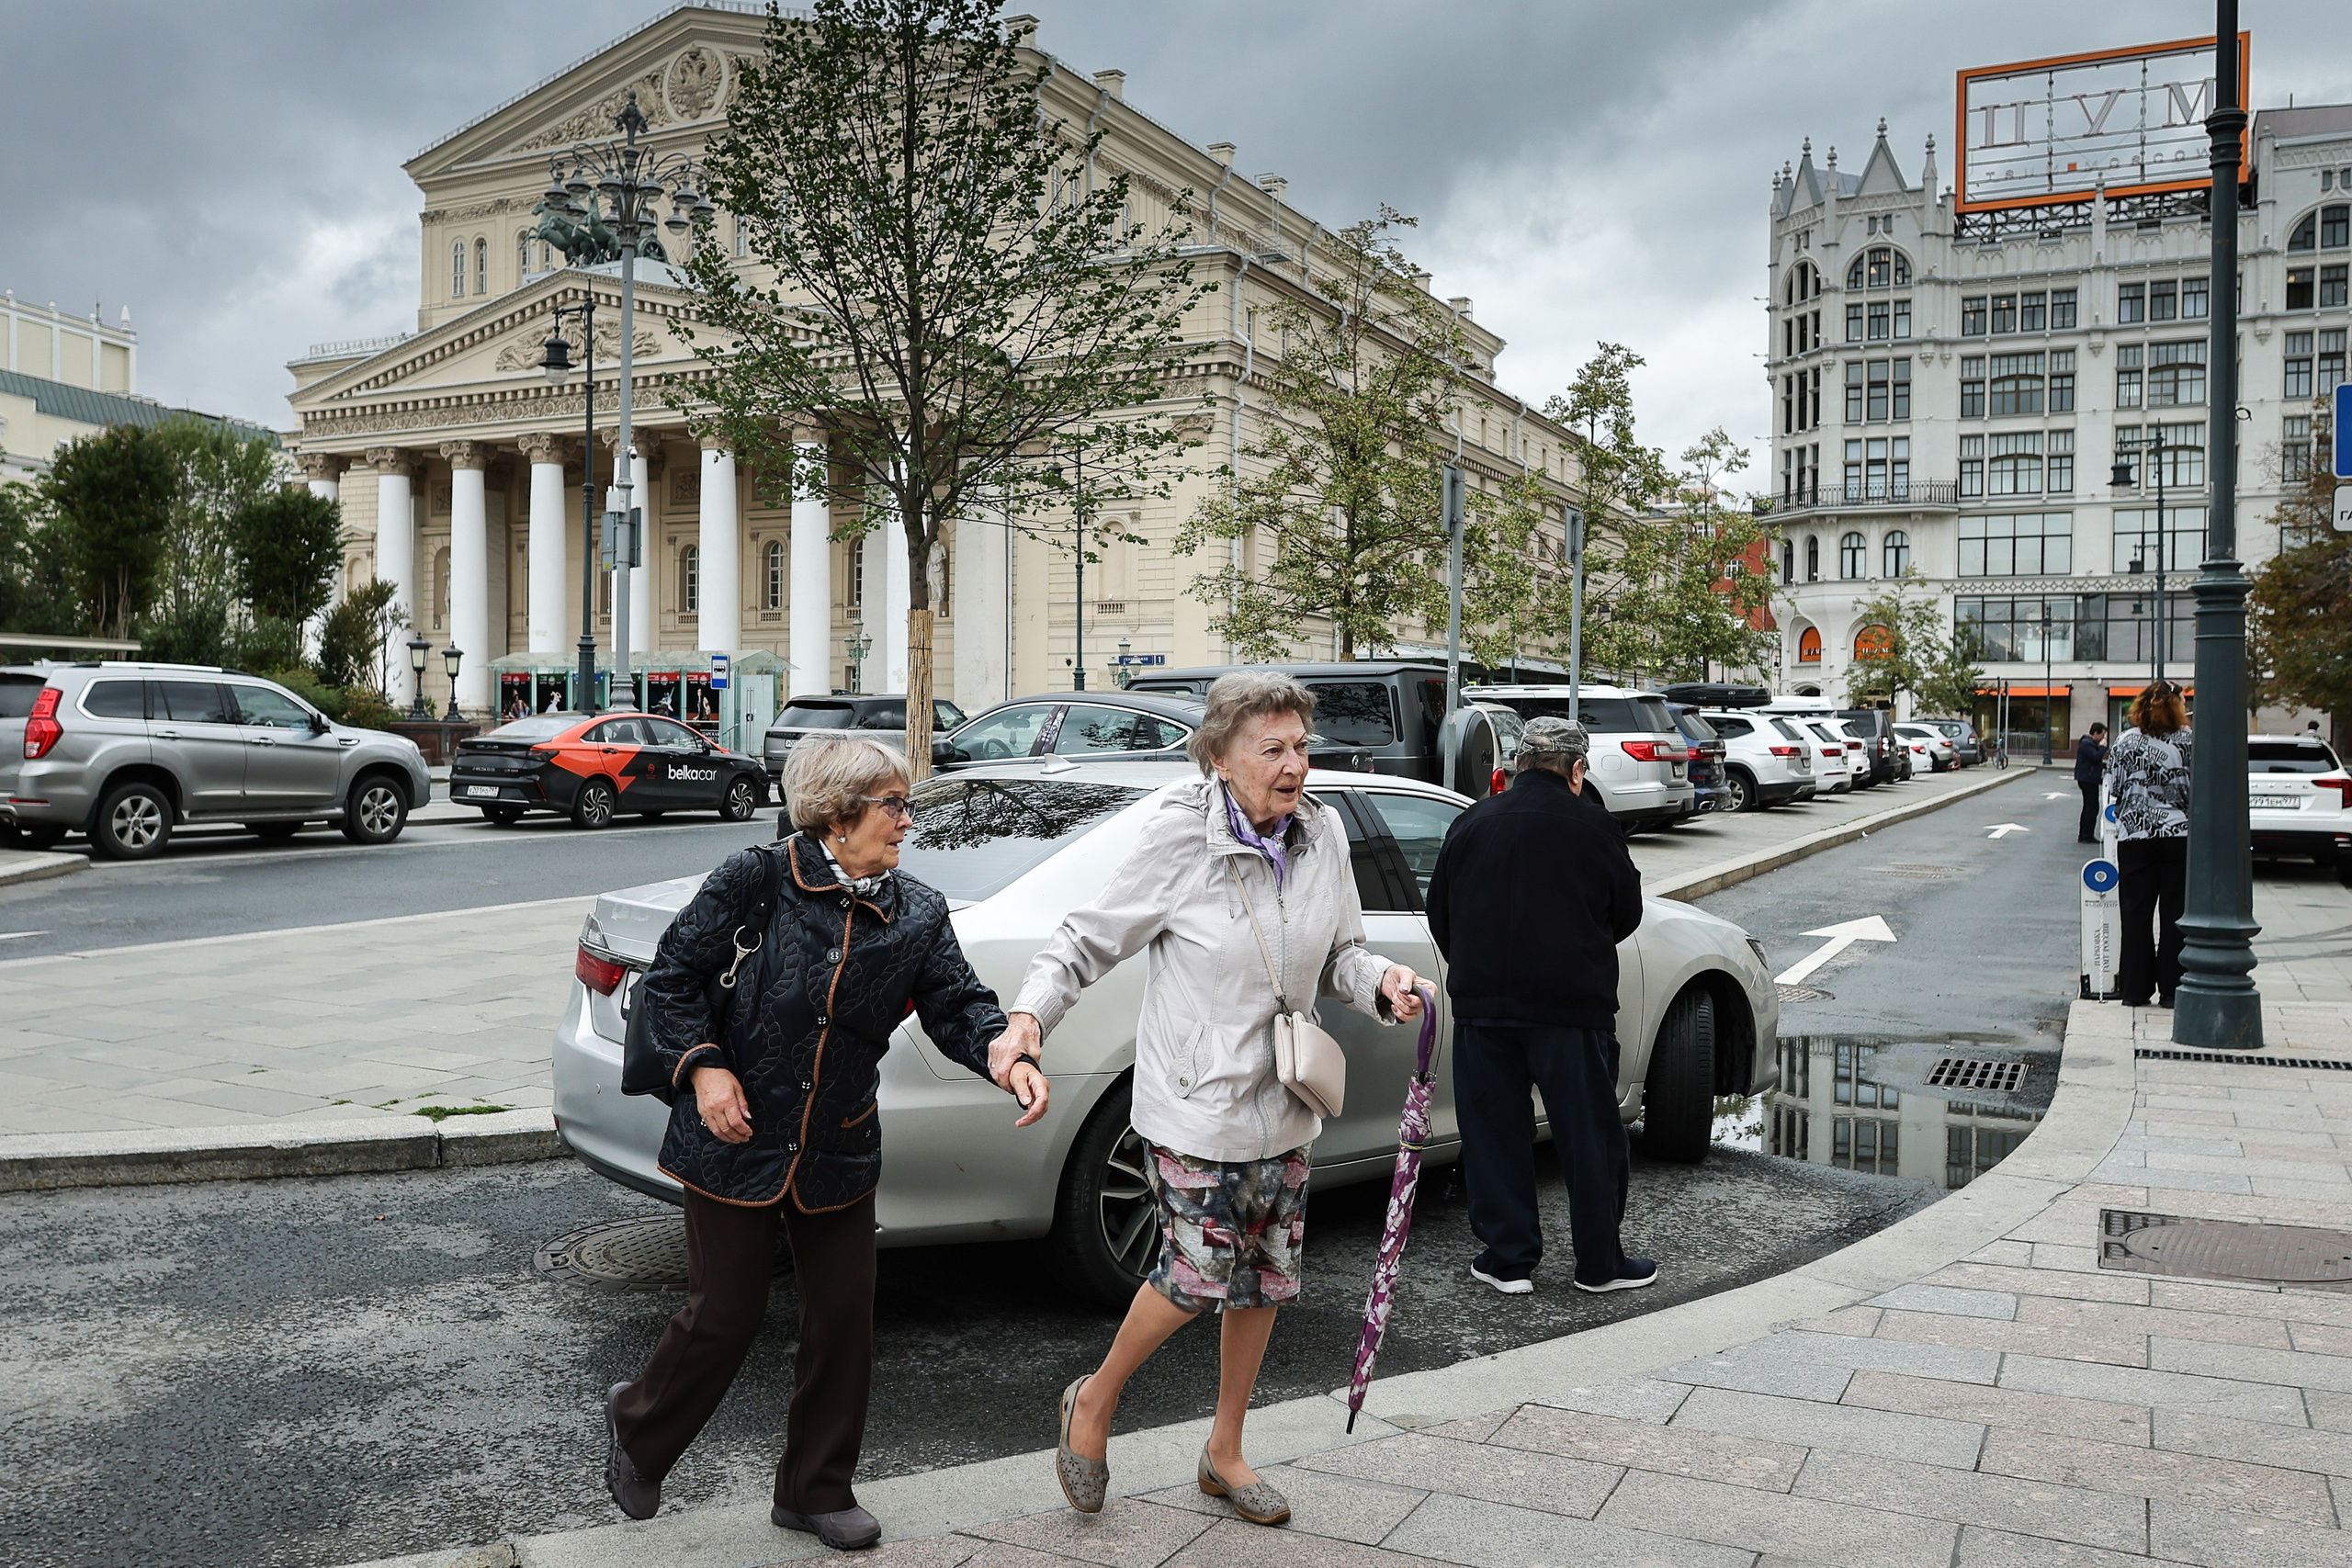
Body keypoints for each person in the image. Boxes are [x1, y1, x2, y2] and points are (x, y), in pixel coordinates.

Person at [991, 671, 1425, 1529]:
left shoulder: (1321, 831)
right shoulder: (1180, 835)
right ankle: (1094, 1398)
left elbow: (1341, 952)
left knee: (1264, 1278)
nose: (1295, 764)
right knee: (1197, 1271)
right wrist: (1028, 1018)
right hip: (1193, 1099)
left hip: (1283, 1095)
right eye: (1273, 749)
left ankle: (1225, 1451)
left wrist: (1384, 982)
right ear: (1221, 759)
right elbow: (1085, 938)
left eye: (1301, 745)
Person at [605, 737, 1040, 1551]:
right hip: (733, 1136)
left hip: (839, 1141)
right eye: (893, 805)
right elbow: (668, 982)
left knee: (843, 1316)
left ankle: (815, 1488)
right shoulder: (756, 879)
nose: (907, 822)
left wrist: (1003, 1053)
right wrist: (703, 1071)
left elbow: (958, 1002)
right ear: (837, 814)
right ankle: (640, 1428)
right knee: (726, 1314)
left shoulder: (915, 908)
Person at [1425, 716, 1652, 1297]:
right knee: (1590, 1137)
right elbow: (1626, 913)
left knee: (1494, 1134)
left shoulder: (1471, 822)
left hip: (1483, 1010)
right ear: (1577, 771)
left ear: (1517, 765)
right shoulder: (1596, 827)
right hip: (1571, 1010)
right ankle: (1599, 1264)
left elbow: (1440, 913)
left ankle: (1509, 1260)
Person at [2109, 682, 2193, 1009]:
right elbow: (2193, 789)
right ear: (2177, 706)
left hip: (2134, 836)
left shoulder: (2125, 740)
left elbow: (2115, 786)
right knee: (2175, 913)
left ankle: (2134, 989)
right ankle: (2172, 989)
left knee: (2135, 913)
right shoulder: (2188, 739)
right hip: (2178, 835)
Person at [2075, 721, 2109, 843]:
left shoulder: (2089, 743)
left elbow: (2094, 762)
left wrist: (2104, 766)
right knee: (2091, 807)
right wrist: (2103, 747)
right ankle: (2086, 835)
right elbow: (2095, 756)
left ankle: (2086, 834)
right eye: (2102, 735)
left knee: (2091, 807)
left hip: (2089, 778)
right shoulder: (2087, 744)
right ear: (2096, 733)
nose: (2103, 738)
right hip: (2087, 779)